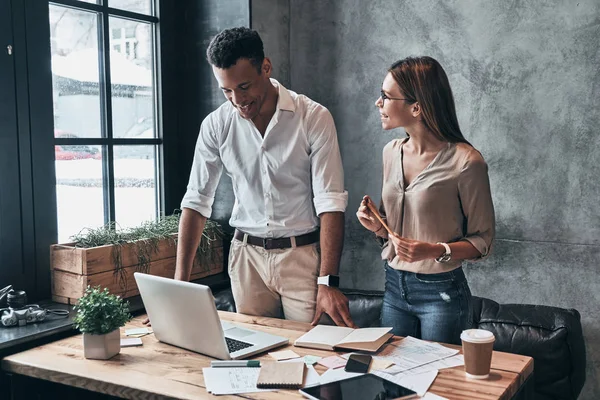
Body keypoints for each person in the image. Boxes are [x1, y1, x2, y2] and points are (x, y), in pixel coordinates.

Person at [173, 27, 355, 327]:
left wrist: (327, 281)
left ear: (266, 67)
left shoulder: (313, 117)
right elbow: (195, 203)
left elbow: (331, 202)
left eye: (244, 86)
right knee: (254, 360)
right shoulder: (216, 125)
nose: (237, 99)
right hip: (246, 259)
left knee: (310, 358)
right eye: (227, 90)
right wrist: (180, 285)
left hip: (302, 258)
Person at [356, 56, 495, 344]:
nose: (377, 103)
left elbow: (482, 242)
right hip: (394, 286)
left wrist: (432, 250)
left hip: (441, 294)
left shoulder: (467, 162)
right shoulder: (390, 152)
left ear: (416, 107)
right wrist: (378, 227)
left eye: (385, 96)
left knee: (440, 385)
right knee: (393, 382)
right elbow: (394, 236)